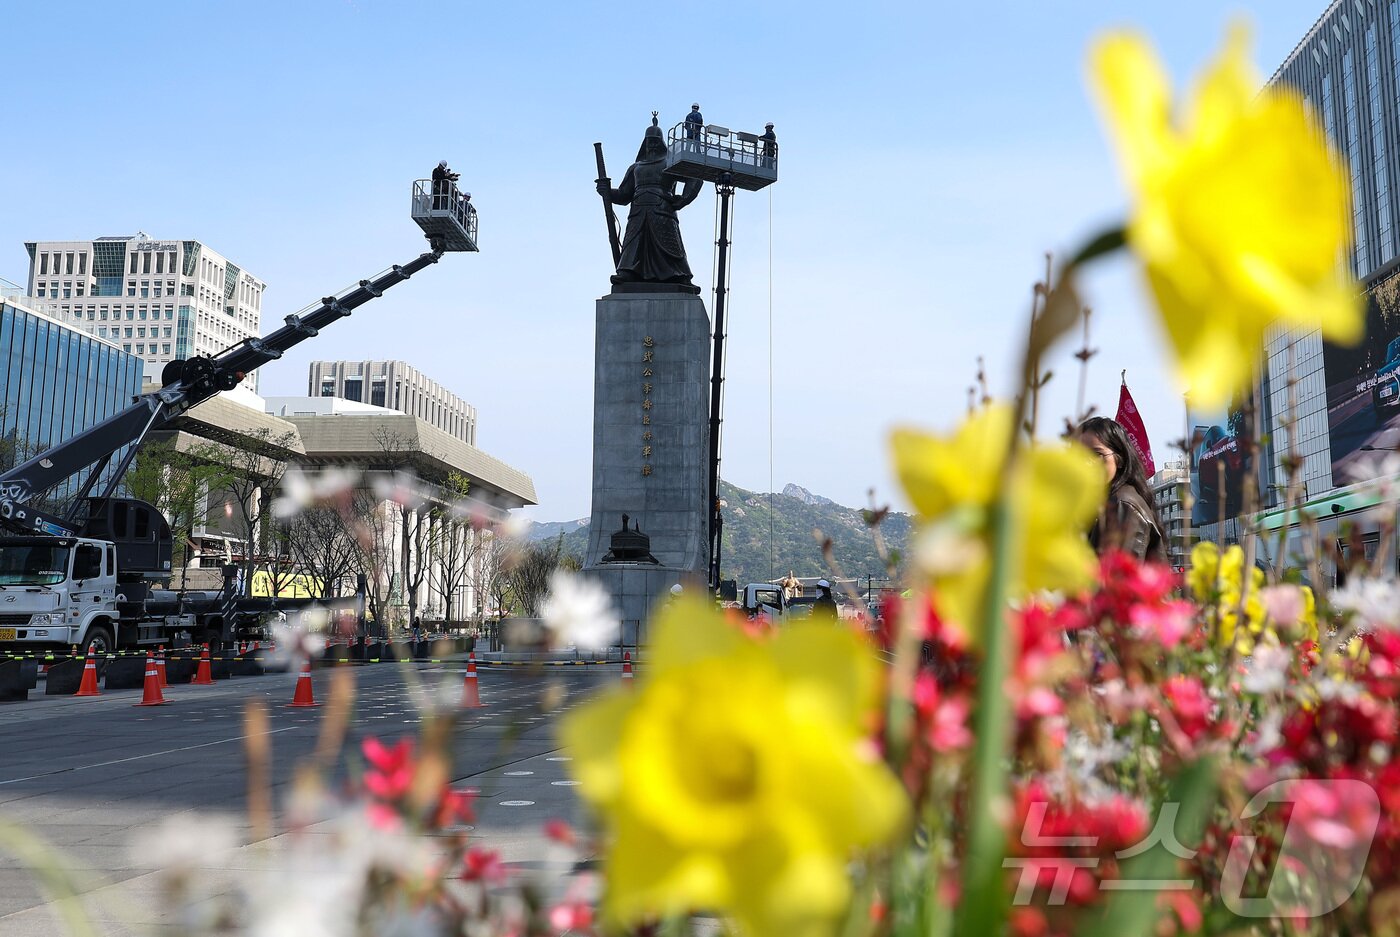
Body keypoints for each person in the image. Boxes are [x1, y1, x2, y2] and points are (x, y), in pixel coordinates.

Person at [598, 116, 704, 287]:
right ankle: (628, 272)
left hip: (662, 209)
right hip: (638, 211)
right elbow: (624, 194)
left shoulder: (670, 162)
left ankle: (679, 276)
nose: (652, 145)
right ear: (644, 143)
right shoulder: (636, 167)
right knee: (633, 243)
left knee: (669, 245)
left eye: (655, 141)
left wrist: (683, 199)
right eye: (649, 142)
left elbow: (695, 176)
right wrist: (607, 192)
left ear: (661, 143)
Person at [1078, 416, 1167, 564]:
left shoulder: (1122, 504)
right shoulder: (1101, 503)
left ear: (1119, 459)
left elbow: (1117, 574)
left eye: (1097, 454)